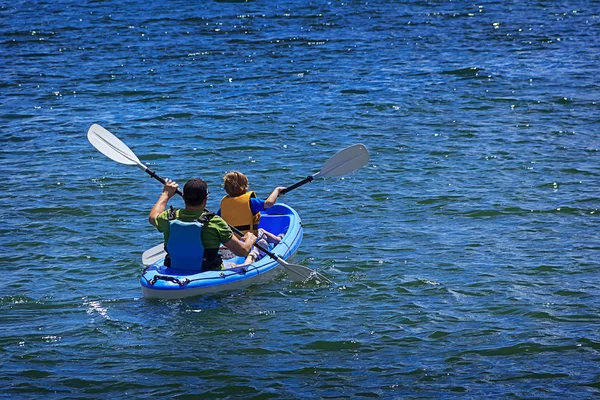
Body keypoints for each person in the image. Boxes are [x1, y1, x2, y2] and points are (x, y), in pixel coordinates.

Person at [148, 178, 256, 272]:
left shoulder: (169, 217)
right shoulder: (215, 222)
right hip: (208, 271)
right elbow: (242, 251)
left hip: (176, 268)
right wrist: (250, 239)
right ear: (206, 198)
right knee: (243, 258)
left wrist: (166, 194)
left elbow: (153, 218)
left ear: (183, 197)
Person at [218, 171, 285, 267]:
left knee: (261, 231)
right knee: (261, 242)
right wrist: (277, 190)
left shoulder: (224, 205)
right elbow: (269, 203)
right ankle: (249, 261)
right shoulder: (250, 202)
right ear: (245, 186)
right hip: (249, 238)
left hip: (232, 240)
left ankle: (277, 239)